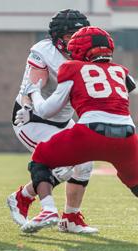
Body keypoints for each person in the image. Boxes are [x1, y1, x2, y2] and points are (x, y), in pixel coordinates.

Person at [16, 26, 137, 233]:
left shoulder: (72, 67)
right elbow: (130, 86)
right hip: (127, 136)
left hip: (91, 133)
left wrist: (35, 93)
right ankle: (70, 217)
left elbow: (46, 110)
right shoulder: (121, 71)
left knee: (40, 160)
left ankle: (48, 209)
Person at [6, 9, 98, 234]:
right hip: (32, 118)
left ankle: (70, 218)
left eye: (78, 35)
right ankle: (35, 203)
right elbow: (32, 88)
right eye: (69, 36)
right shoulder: (43, 51)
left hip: (64, 120)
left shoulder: (89, 54)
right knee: (62, 162)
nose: (74, 41)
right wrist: (29, 108)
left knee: (85, 164)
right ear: (58, 37)